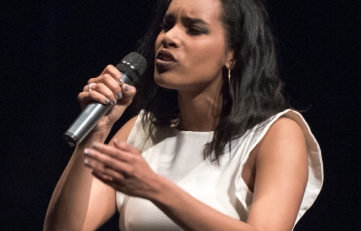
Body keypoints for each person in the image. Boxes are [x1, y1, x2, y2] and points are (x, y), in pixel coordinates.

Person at [44, 0, 323, 230]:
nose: (169, 38)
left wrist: (154, 187)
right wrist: (95, 134)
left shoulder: (276, 134)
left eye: (194, 29)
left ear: (233, 55)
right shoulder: (141, 131)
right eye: (167, 25)